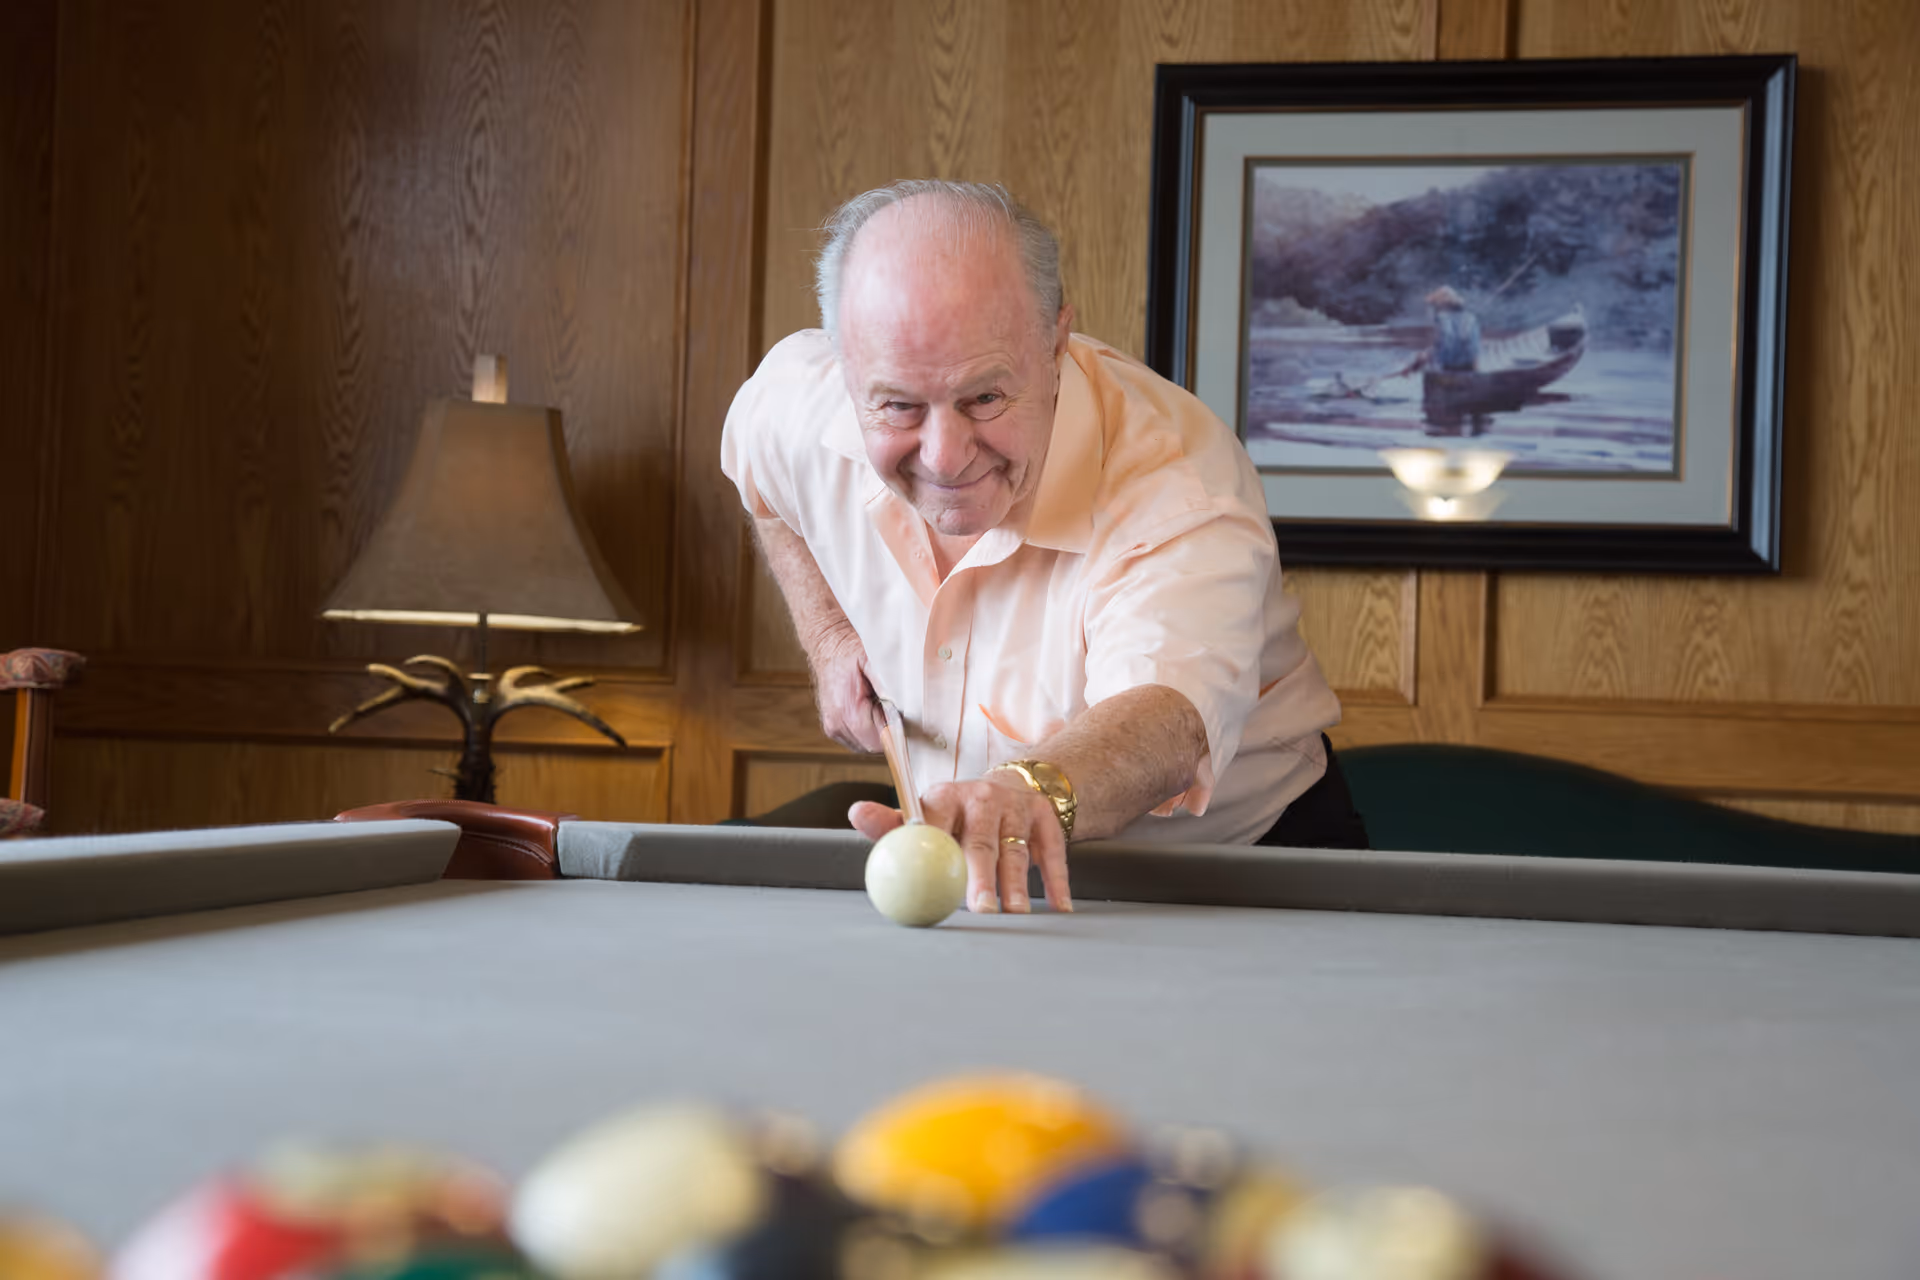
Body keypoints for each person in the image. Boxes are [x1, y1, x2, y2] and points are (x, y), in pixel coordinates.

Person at [720, 180, 1364, 918]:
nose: (944, 456)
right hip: (986, 867)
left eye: (984, 399)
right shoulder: (800, 400)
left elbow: (1164, 720)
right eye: (899, 406)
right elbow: (760, 486)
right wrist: (830, 638)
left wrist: (1024, 794)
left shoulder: (1180, 486)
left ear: (1055, 340)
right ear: (845, 365)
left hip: (1238, 876)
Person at [1426, 285, 1480, 372]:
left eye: (1434, 305)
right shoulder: (1471, 318)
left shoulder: (1441, 319)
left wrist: (1427, 357)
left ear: (1441, 305)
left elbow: (1442, 346)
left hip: (1449, 367)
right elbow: (1474, 350)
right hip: (1468, 367)